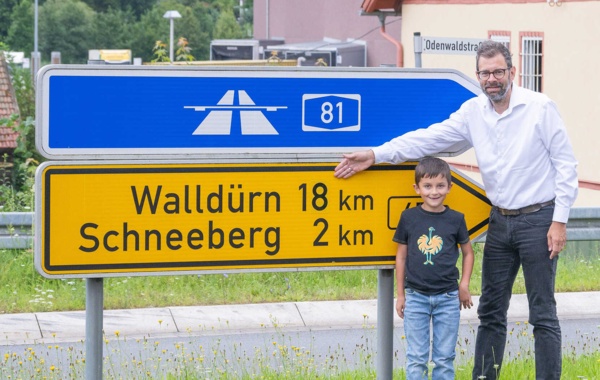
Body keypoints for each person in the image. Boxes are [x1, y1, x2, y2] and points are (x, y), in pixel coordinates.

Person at [334, 40, 578, 380]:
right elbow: (428, 139)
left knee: (543, 314)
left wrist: (559, 222)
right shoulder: (473, 112)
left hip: (539, 220)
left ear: (512, 72)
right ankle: (484, 377)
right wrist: (376, 154)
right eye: (484, 73)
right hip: (500, 221)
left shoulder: (540, 107)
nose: (491, 79)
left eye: (497, 71)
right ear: (478, 75)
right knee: (491, 311)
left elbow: (566, 165)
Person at [394, 156, 474, 380]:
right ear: (417, 188)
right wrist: (400, 295)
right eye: (427, 186)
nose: (434, 192)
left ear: (450, 187)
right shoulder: (408, 218)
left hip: (448, 297)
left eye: (440, 186)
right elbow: (401, 257)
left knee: (444, 359)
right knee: (417, 358)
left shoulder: (456, 219)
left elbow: (468, 253)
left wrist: (464, 284)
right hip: (415, 297)